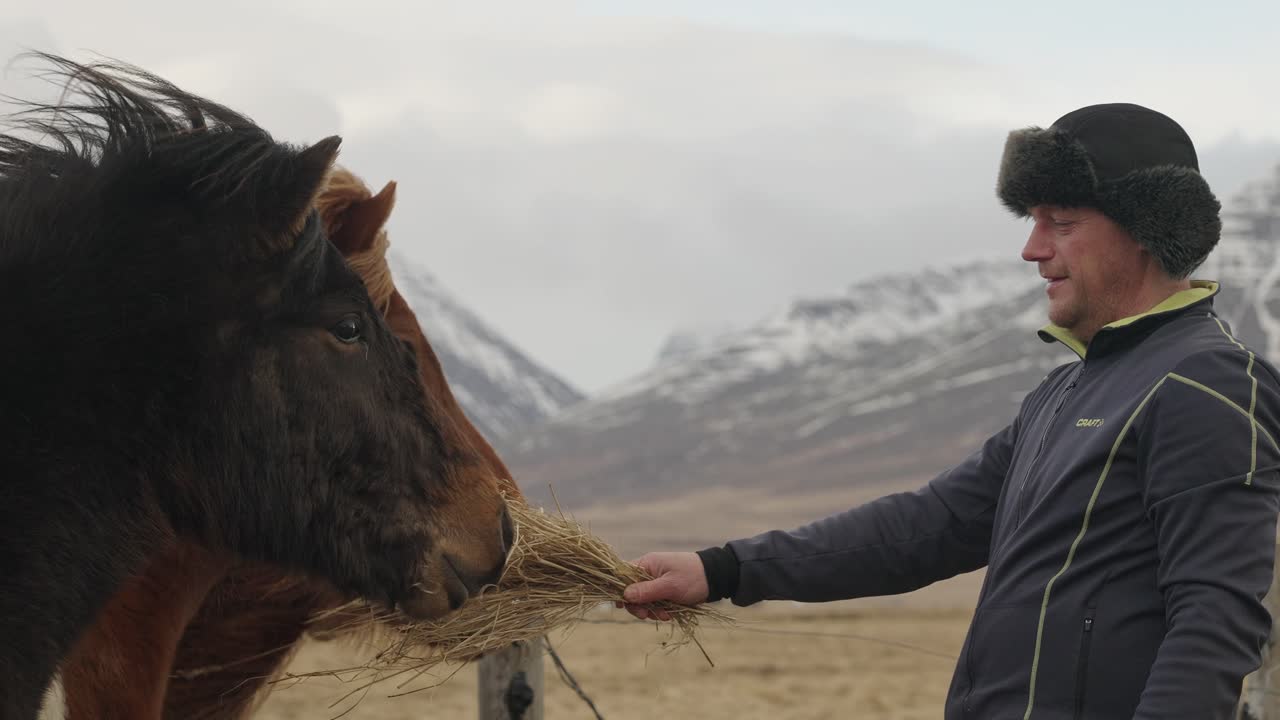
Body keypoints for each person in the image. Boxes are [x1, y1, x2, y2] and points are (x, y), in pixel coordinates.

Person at [620, 103, 1280, 720]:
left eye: (1062, 222)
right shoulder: (1063, 395)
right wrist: (723, 569)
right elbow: (927, 525)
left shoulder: (1207, 384)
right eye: (1033, 220)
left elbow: (1216, 616)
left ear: (1145, 228)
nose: (1032, 248)